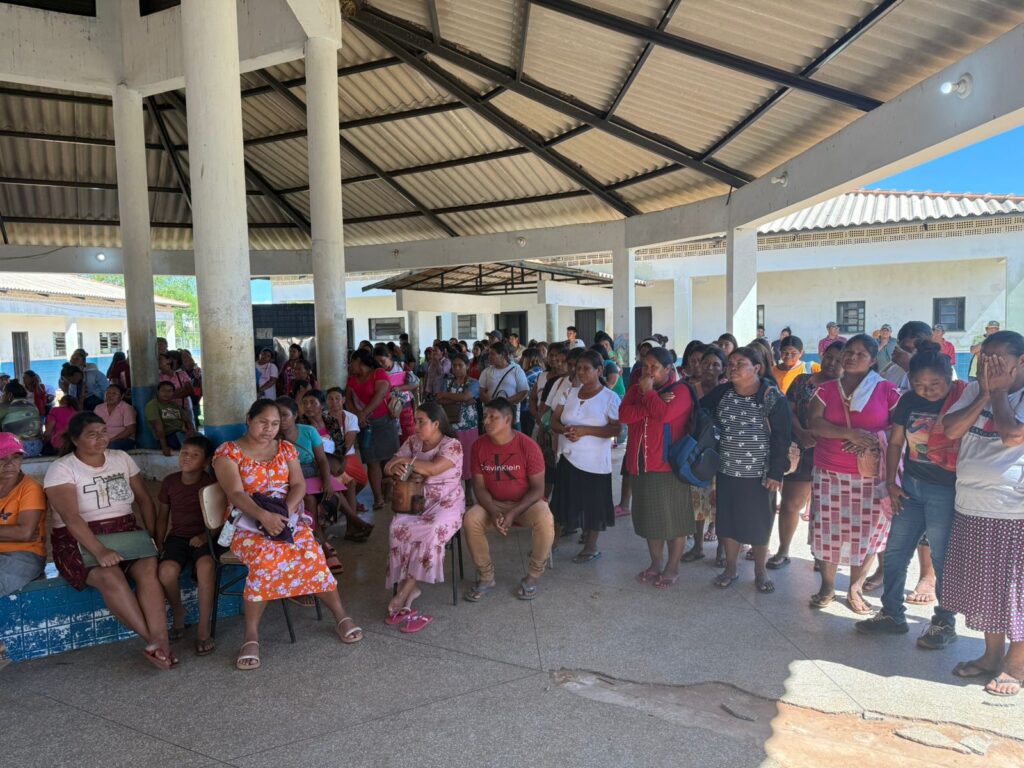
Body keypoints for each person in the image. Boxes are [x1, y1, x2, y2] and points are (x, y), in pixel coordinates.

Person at [214, 400, 362, 669]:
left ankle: (340, 615)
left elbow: (298, 485)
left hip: (287, 515)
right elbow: (235, 494)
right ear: (249, 419)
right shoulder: (228, 452)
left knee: (311, 551)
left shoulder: (285, 448)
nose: (269, 429)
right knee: (266, 556)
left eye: (274, 424)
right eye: (262, 422)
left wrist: (284, 513)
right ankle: (251, 636)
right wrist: (264, 516)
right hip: (248, 522)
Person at [44, 412, 174, 669]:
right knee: (109, 575)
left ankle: (161, 641)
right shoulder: (62, 468)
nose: (101, 438)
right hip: (78, 538)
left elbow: (145, 500)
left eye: (103, 432)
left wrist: (154, 537)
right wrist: (99, 550)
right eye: (92, 434)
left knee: (149, 567)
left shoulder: (121, 458)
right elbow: (71, 518)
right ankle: (153, 642)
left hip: (126, 530)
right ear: (74, 439)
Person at [856, 341, 964, 648]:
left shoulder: (960, 400)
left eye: (934, 385)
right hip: (911, 487)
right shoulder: (907, 402)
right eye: (919, 385)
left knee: (943, 558)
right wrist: (891, 482)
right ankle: (892, 615)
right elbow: (895, 444)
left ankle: (944, 622)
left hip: (946, 491)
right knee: (895, 552)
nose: (927, 391)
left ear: (949, 379)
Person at [940, 331, 1024, 696]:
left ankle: (1016, 666)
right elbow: (951, 429)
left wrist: (1001, 392)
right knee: (987, 591)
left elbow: (1011, 434)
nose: (988, 365)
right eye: (984, 357)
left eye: (998, 359)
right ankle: (990, 657)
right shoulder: (976, 391)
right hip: (972, 507)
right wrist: (988, 392)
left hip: (1014, 511)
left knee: (1016, 592)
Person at [807, 334, 900, 613]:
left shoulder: (887, 390)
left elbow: (900, 429)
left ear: (873, 360)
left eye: (861, 353)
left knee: (867, 534)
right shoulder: (826, 390)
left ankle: (855, 588)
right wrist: (849, 433)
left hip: (871, 476)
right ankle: (826, 585)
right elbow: (814, 423)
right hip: (829, 472)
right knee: (827, 531)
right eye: (849, 351)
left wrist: (871, 438)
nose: (852, 357)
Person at [701, 348, 791, 593]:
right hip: (726, 472)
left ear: (757, 368)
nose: (732, 367)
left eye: (740, 363)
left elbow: (782, 437)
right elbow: (700, 413)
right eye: (730, 363)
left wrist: (776, 473)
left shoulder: (771, 397)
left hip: (760, 476)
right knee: (727, 523)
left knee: (759, 524)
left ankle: (760, 573)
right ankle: (730, 569)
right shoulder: (722, 393)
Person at [383, 402, 465, 632]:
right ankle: (409, 589)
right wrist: (394, 468)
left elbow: (432, 469)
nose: (416, 425)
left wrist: (404, 462)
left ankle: (406, 590)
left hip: (447, 503)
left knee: (431, 530)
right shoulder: (412, 442)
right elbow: (388, 466)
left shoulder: (453, 445)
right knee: (397, 526)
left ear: (436, 423)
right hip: (417, 501)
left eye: (421, 421)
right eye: (416, 420)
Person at [463, 398, 554, 601]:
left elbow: (538, 489)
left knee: (545, 518)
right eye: (485, 416)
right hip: (492, 504)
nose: (486, 421)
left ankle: (533, 576)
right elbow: (479, 487)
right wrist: (495, 511)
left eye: (492, 417)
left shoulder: (528, 446)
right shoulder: (478, 446)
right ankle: (486, 577)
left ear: (508, 420)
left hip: (526, 505)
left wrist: (514, 512)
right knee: (471, 518)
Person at [619, 347, 694, 588]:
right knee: (650, 520)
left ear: (668, 369)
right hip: (640, 465)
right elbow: (624, 415)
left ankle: (672, 567)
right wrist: (649, 400)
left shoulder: (681, 391)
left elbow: (663, 415)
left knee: (673, 520)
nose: (648, 371)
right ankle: (655, 563)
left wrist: (649, 395)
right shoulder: (635, 390)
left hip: (667, 467)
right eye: (645, 366)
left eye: (654, 367)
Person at [767, 341, 844, 570]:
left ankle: (823, 557)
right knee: (791, 504)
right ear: (822, 355)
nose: (832, 363)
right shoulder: (803, 382)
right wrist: (801, 431)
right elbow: (787, 410)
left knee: (827, 508)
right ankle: (783, 550)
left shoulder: (847, 388)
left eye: (839, 359)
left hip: (834, 455)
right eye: (829, 357)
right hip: (801, 452)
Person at [550, 349, 621, 563]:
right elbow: (553, 420)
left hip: (594, 462)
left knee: (593, 504)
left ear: (599, 370)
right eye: (578, 368)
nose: (580, 372)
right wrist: (565, 430)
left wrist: (585, 431)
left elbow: (617, 429)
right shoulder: (569, 393)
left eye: (586, 368)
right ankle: (550, 543)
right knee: (561, 501)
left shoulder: (609, 397)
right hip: (568, 456)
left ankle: (591, 547)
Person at [155, 435, 218, 656]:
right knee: (165, 572)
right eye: (184, 453)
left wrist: (203, 535)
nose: (187, 458)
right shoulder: (170, 482)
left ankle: (203, 629)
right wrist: (158, 543)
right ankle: (178, 611)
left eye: (195, 455)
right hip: (178, 538)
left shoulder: (211, 484)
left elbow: (220, 520)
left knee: (206, 567)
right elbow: (163, 516)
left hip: (206, 537)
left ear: (206, 461)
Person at [276, 396, 346, 574]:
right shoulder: (274, 438)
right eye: (277, 415)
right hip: (289, 478)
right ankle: (320, 543)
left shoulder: (308, 431)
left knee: (334, 494)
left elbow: (322, 460)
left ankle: (319, 540)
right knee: (308, 500)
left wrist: (327, 481)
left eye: (285, 415)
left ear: (295, 415)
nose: (281, 420)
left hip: (313, 474)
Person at [346, 348, 396, 511]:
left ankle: (388, 491)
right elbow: (348, 401)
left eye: (351, 361)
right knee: (372, 461)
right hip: (364, 425)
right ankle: (378, 497)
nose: (349, 365)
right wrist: (357, 416)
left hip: (383, 422)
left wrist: (363, 413)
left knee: (388, 459)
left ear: (359, 361)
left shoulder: (378, 373)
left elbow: (380, 395)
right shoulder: (352, 379)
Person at [0, 433, 47, 596]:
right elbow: (21, 532)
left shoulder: (30, 488)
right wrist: (12, 532)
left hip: (24, 555)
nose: (10, 464)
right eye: (2, 458)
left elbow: (24, 533)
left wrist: (19, 533)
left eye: (16, 457)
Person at [437, 353, 480, 485]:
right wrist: (461, 398)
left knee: (468, 458)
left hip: (468, 426)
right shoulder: (447, 382)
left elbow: (466, 396)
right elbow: (440, 399)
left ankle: (468, 493)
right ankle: (453, 489)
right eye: (454, 365)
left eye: (460, 365)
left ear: (467, 366)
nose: (456, 368)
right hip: (449, 426)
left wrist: (448, 396)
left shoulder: (474, 382)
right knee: (450, 457)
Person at [375, 343, 419, 443]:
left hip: (405, 406)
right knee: (393, 436)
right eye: (378, 362)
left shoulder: (401, 365)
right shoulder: (379, 372)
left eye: (382, 360)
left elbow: (415, 383)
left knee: (408, 435)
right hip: (389, 408)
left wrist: (398, 388)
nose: (381, 364)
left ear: (389, 356)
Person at [479, 343, 529, 427]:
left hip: (511, 415)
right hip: (492, 414)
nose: (489, 356)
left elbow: (524, 391)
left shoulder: (516, 370)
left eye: (492, 354)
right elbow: (481, 391)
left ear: (502, 355)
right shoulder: (486, 371)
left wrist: (505, 403)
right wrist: (492, 404)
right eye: (489, 354)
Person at [145, 381, 197, 456]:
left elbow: (187, 420)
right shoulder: (152, 405)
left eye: (170, 391)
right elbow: (158, 427)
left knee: (203, 442)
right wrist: (164, 446)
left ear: (173, 393)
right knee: (194, 447)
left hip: (181, 433)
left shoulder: (174, 405)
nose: (166, 393)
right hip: (168, 436)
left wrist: (191, 431)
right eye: (163, 390)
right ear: (157, 392)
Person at [880, 321, 932, 388]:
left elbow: (928, 394)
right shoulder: (892, 369)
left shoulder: (937, 369)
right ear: (898, 345)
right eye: (907, 349)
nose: (913, 354)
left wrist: (909, 368)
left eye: (919, 349)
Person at [1, 383, 43, 457]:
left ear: (10, 395)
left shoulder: (4, 406)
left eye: (4, 393)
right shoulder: (33, 406)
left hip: (17, 449)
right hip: (37, 447)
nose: (2, 395)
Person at [94, 384, 136, 450]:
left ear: (121, 396)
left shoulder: (126, 408)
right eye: (108, 392)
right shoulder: (98, 408)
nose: (110, 395)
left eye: (114, 393)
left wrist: (112, 439)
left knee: (111, 447)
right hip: (103, 439)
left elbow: (130, 429)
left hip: (122, 440)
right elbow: (93, 426)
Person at [519, 347, 546, 437]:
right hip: (532, 409)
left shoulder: (532, 373)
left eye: (523, 357)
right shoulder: (539, 370)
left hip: (527, 410)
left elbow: (519, 388)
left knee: (527, 436)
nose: (521, 360)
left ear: (529, 359)